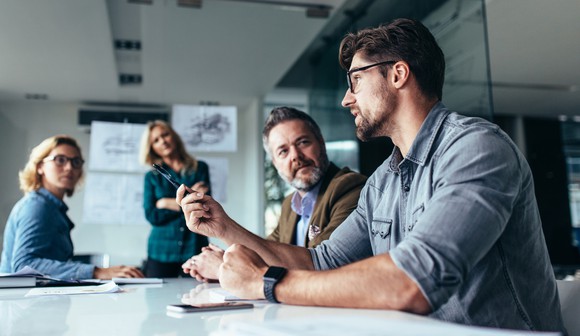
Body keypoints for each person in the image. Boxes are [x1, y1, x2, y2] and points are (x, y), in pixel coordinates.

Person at [177, 18, 566, 333]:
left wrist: (265, 282)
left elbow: (414, 280)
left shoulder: (477, 149)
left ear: (398, 74)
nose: (347, 98)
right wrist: (224, 228)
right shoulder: (383, 181)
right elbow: (320, 262)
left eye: (356, 80)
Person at [181, 107, 367, 281]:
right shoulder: (290, 204)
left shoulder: (350, 188)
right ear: (275, 163)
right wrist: (225, 255)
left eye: (303, 142)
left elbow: (320, 266)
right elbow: (266, 253)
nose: (295, 156)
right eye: (283, 151)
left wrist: (223, 266)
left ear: (321, 143)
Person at [0, 135, 144, 280]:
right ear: (40, 167)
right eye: (60, 160)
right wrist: (96, 272)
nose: (69, 168)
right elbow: (24, 265)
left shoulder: (53, 208)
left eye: (76, 162)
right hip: (22, 301)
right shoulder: (37, 206)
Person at [140, 120, 211, 277]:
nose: (163, 141)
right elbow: (152, 215)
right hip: (161, 251)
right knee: (156, 300)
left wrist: (165, 203)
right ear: (152, 148)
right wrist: (186, 203)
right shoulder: (151, 177)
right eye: (156, 140)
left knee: (197, 296)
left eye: (165, 135)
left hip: (194, 247)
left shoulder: (200, 168)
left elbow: (203, 207)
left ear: (174, 136)